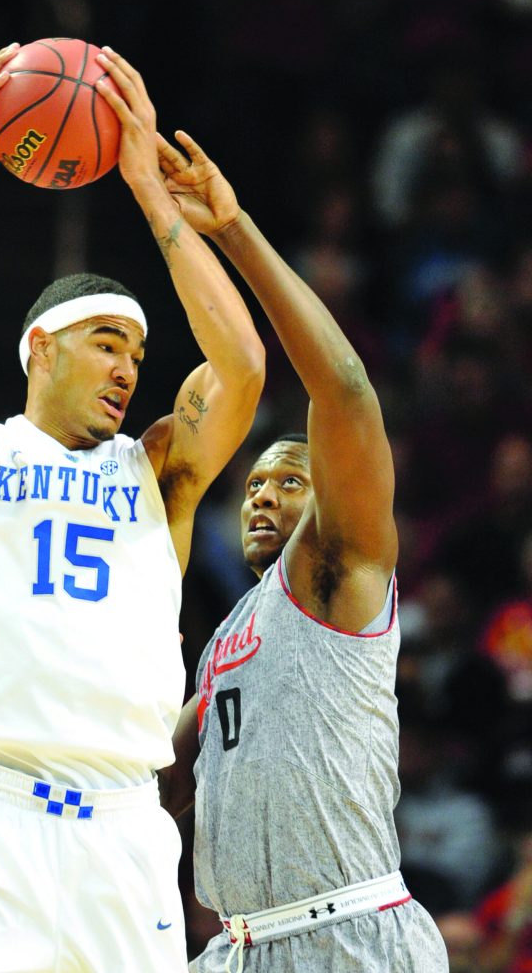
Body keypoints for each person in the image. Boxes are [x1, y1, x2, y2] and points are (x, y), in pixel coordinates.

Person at [0, 43, 265, 973]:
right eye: (106, 344)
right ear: (40, 349)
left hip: (123, 828)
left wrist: (150, 192)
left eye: (137, 355)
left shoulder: (160, 471)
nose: (129, 370)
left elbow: (245, 368)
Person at [156, 131, 448, 970]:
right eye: (253, 485)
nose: (261, 493)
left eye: (290, 480)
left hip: (349, 934)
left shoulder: (337, 571)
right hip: (239, 946)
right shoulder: (225, 642)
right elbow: (163, 784)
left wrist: (233, 230)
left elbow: (346, 390)